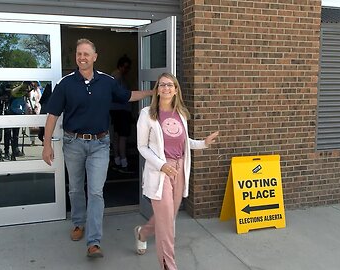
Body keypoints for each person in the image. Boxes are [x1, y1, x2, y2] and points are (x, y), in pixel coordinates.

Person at [42, 38, 152, 258]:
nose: (82, 57)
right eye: (79, 54)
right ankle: (78, 223)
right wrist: (46, 145)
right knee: (75, 188)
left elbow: (127, 96)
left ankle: (93, 242)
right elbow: (53, 115)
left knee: (95, 191)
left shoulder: (107, 81)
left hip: (100, 144)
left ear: (95, 57)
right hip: (73, 143)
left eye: (86, 54)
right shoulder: (66, 83)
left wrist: (151, 94)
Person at [134, 73, 219, 270]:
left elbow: (183, 142)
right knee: (167, 227)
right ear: (157, 89)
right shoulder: (147, 114)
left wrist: (203, 144)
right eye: (162, 85)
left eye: (170, 85)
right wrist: (161, 165)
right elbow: (142, 146)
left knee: (167, 218)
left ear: (176, 89)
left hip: (179, 171)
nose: (166, 88)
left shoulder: (180, 114)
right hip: (160, 172)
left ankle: (143, 233)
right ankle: (169, 266)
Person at [110, 55, 133, 173]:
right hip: (121, 111)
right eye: (126, 67)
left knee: (117, 136)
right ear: (120, 66)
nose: (127, 70)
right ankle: (123, 163)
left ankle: (118, 160)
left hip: (117, 111)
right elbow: (122, 96)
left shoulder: (115, 76)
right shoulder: (117, 78)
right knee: (122, 137)